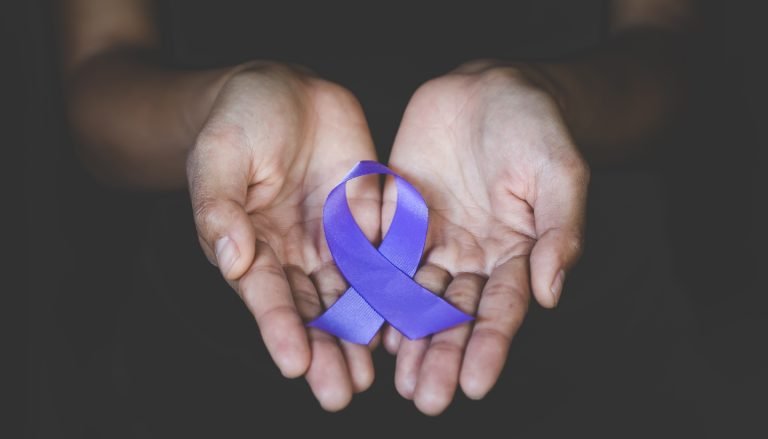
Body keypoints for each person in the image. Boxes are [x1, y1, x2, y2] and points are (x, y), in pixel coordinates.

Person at [59, 0, 695, 417]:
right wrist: (217, 104)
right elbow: (96, 92)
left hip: (576, 346)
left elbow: (669, 60)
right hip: (211, 361)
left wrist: (546, 94)